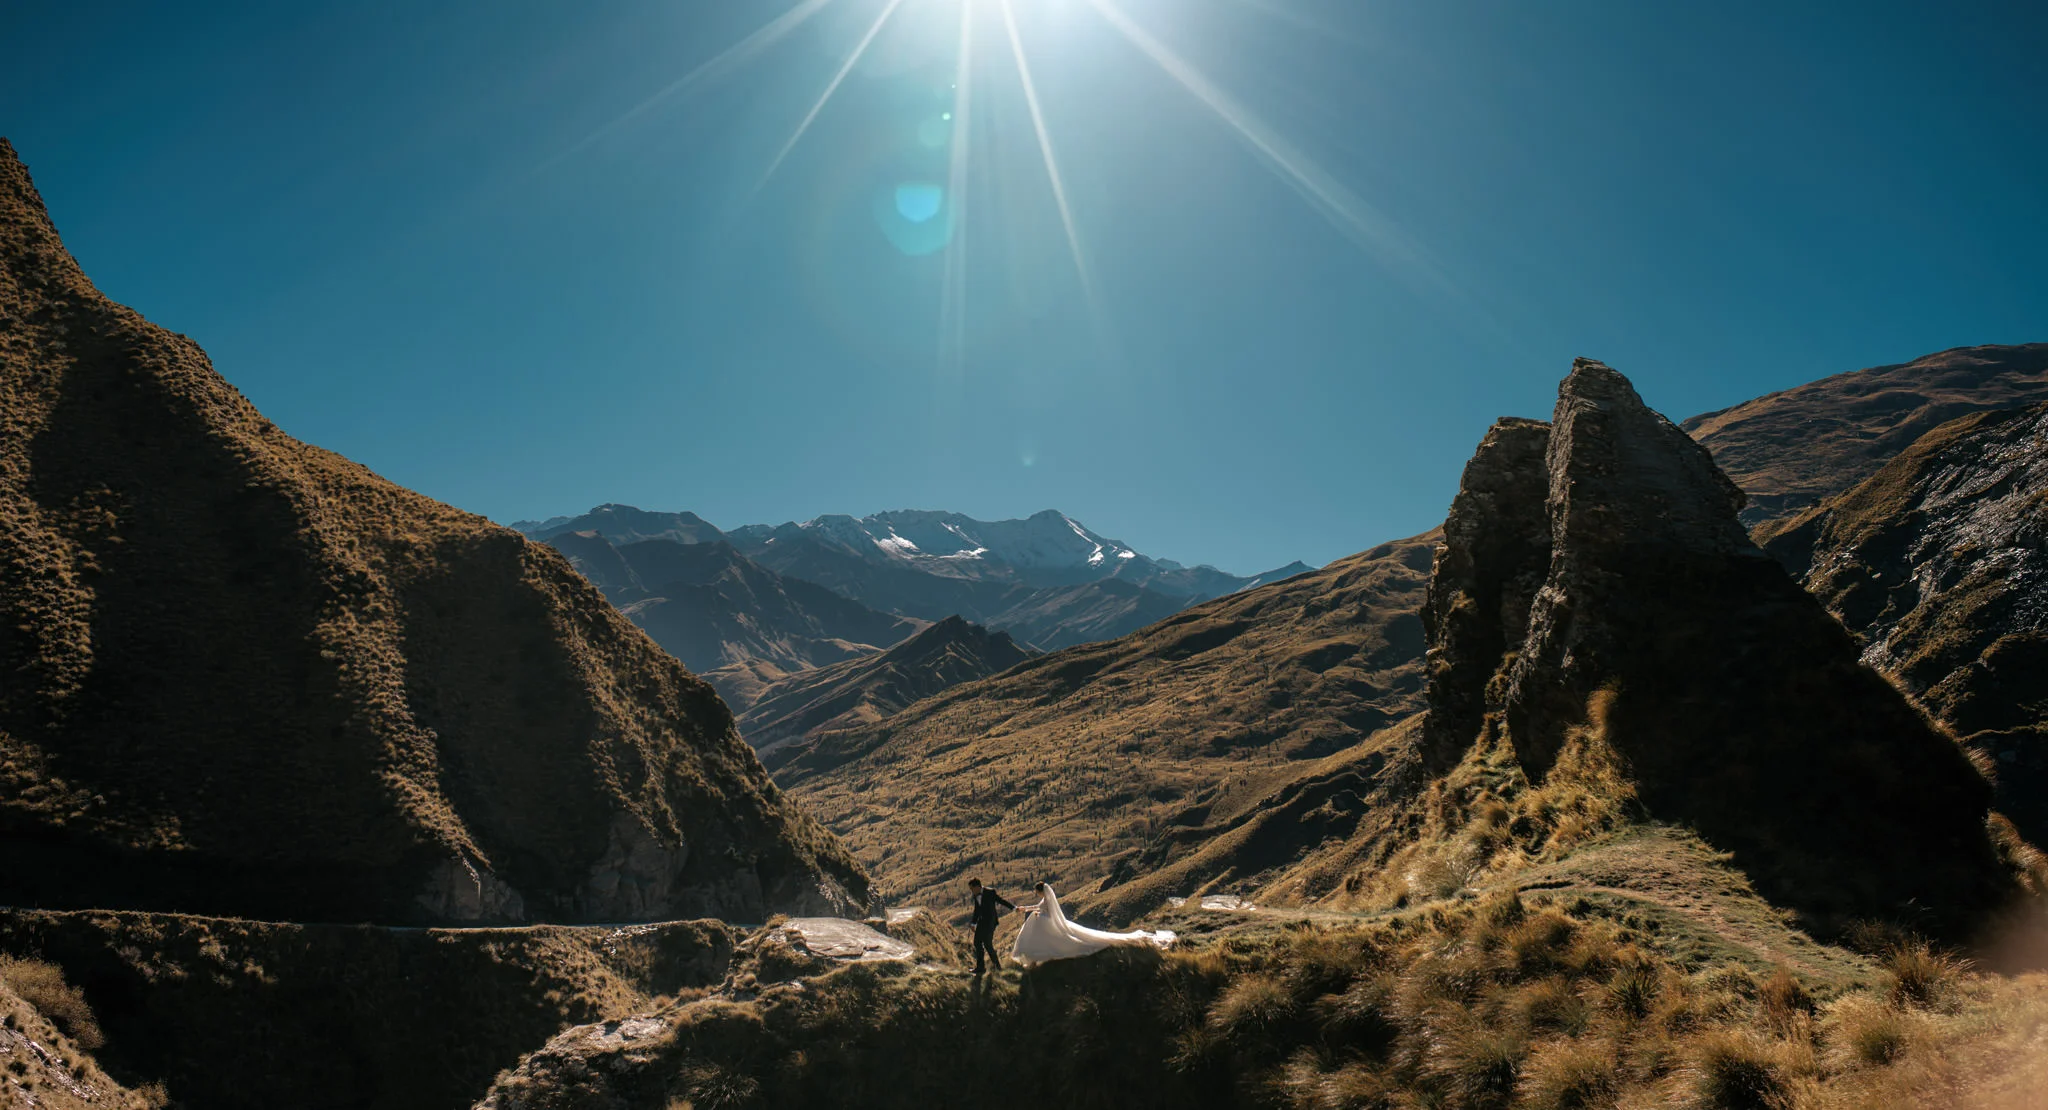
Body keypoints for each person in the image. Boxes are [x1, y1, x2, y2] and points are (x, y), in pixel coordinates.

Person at [1011, 882, 1175, 968]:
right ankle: (1036, 958)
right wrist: (1027, 908)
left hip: (1048, 924)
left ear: (1041, 892)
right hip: (1046, 923)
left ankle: (1037, 958)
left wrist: (1037, 913)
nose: (1037, 894)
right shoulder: (1046, 899)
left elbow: (1048, 912)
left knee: (1071, 941)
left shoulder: (1047, 900)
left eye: (1037, 892)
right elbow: (1040, 908)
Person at [965, 877, 1015, 975]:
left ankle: (998, 968)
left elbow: (1001, 900)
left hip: (990, 923)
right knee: (977, 943)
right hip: (981, 923)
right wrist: (973, 923)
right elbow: (977, 910)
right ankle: (980, 968)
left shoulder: (990, 892)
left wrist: (1013, 908)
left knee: (988, 945)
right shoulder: (976, 895)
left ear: (978, 887)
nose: (971, 891)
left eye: (972, 889)